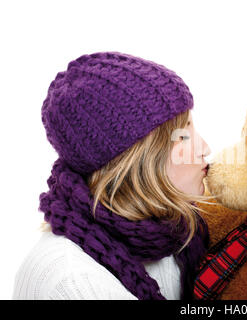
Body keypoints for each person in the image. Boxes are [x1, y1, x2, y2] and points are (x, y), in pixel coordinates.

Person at [12, 51, 212, 300]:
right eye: (183, 136)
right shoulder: (73, 283)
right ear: (135, 160)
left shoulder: (174, 237)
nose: (205, 148)